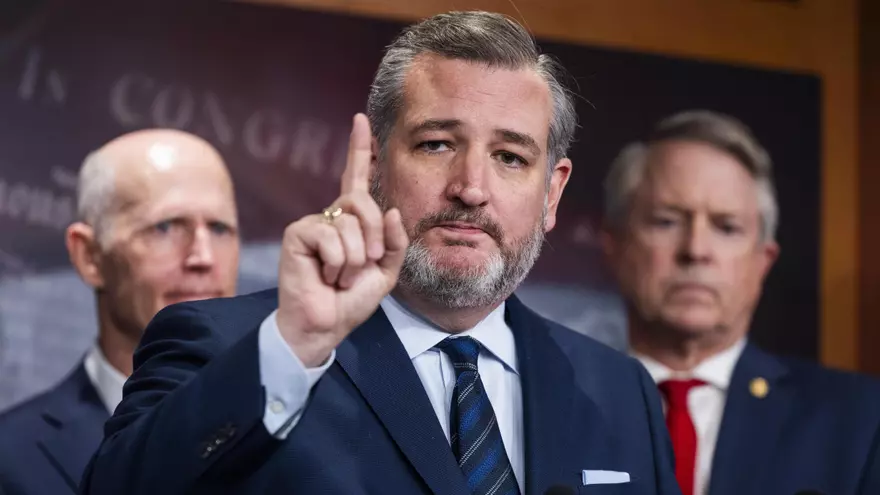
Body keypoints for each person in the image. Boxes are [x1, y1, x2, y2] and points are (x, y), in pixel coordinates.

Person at [80, 12, 681, 495]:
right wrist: (295, 345)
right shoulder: (232, 345)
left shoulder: (620, 389)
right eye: (436, 144)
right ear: (372, 167)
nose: (471, 188)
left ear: (552, 193)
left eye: (510, 157)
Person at [601, 109, 880, 495]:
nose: (696, 250)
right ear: (615, 246)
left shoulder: (861, 420)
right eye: (666, 221)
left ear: (763, 261)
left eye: (727, 227)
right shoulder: (555, 401)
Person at [0, 129, 241, 495]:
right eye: (165, 227)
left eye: (220, 228)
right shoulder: (10, 459)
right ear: (90, 256)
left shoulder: (304, 436)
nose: (203, 257)